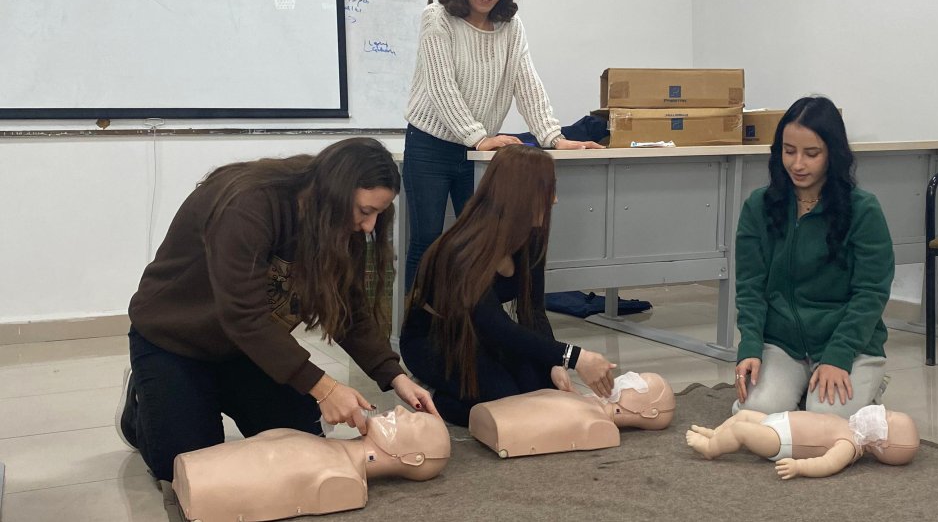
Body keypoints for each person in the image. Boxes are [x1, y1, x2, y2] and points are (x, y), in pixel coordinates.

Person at [118, 138, 438, 483]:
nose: (370, 226)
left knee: (305, 446)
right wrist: (325, 388)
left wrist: (394, 374)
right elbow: (243, 314)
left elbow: (348, 306)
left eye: (379, 213)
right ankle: (143, 401)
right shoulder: (248, 205)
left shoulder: (338, 221)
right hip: (176, 344)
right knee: (186, 467)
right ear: (333, 192)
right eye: (364, 211)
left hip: (248, 351)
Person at [401, 0, 603, 289]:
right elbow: (440, 86)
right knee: (428, 240)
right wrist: (477, 137)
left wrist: (554, 138)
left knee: (479, 243)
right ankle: (419, 333)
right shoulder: (437, 18)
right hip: (431, 146)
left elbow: (526, 82)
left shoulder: (511, 26)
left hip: (480, 154)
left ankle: (469, 330)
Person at [400, 145, 616, 426]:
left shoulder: (530, 237)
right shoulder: (461, 249)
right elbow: (494, 325)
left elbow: (534, 311)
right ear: (520, 195)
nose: (555, 200)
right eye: (547, 190)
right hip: (435, 340)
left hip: (478, 336)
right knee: (506, 404)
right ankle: (436, 394)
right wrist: (574, 356)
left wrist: (553, 362)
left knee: (541, 390)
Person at [733, 96, 895, 419]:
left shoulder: (863, 210)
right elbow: (749, 288)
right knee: (754, 412)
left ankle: (866, 383)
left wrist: (839, 354)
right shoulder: (758, 206)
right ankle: (800, 387)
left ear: (832, 154)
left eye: (812, 154)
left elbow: (871, 292)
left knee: (825, 419)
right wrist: (750, 346)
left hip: (847, 344)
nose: (797, 164)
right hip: (782, 344)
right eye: (789, 151)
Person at [173, 405, 450, 522]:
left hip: (200, 484)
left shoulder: (342, 478)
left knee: (168, 457)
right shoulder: (331, 451)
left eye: (412, 420)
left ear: (414, 459)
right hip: (232, 341)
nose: (400, 410)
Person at [468, 372, 676, 458]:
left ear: (650, 412)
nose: (627, 378)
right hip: (488, 414)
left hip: (498, 428)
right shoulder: (586, 404)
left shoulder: (600, 426)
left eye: (638, 382)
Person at [684, 405, 919, 479]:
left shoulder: (849, 445)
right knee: (744, 414)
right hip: (778, 420)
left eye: (886, 418)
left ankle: (710, 449)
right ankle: (717, 434)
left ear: (883, 444)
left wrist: (800, 467)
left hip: (780, 440)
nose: (881, 412)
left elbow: (827, 464)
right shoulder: (851, 426)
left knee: (740, 430)